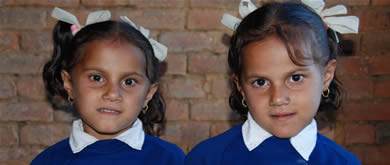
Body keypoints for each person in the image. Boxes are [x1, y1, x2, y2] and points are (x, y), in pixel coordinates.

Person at [185, 0, 361, 164]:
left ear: (326, 76)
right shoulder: (205, 159)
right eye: (261, 82)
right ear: (240, 86)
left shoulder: (344, 162)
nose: (278, 98)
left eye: (295, 78)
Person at [31, 8, 184, 165]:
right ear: (69, 83)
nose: (112, 94)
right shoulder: (48, 161)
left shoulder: (170, 159)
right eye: (97, 78)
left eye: (129, 82)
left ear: (148, 94)